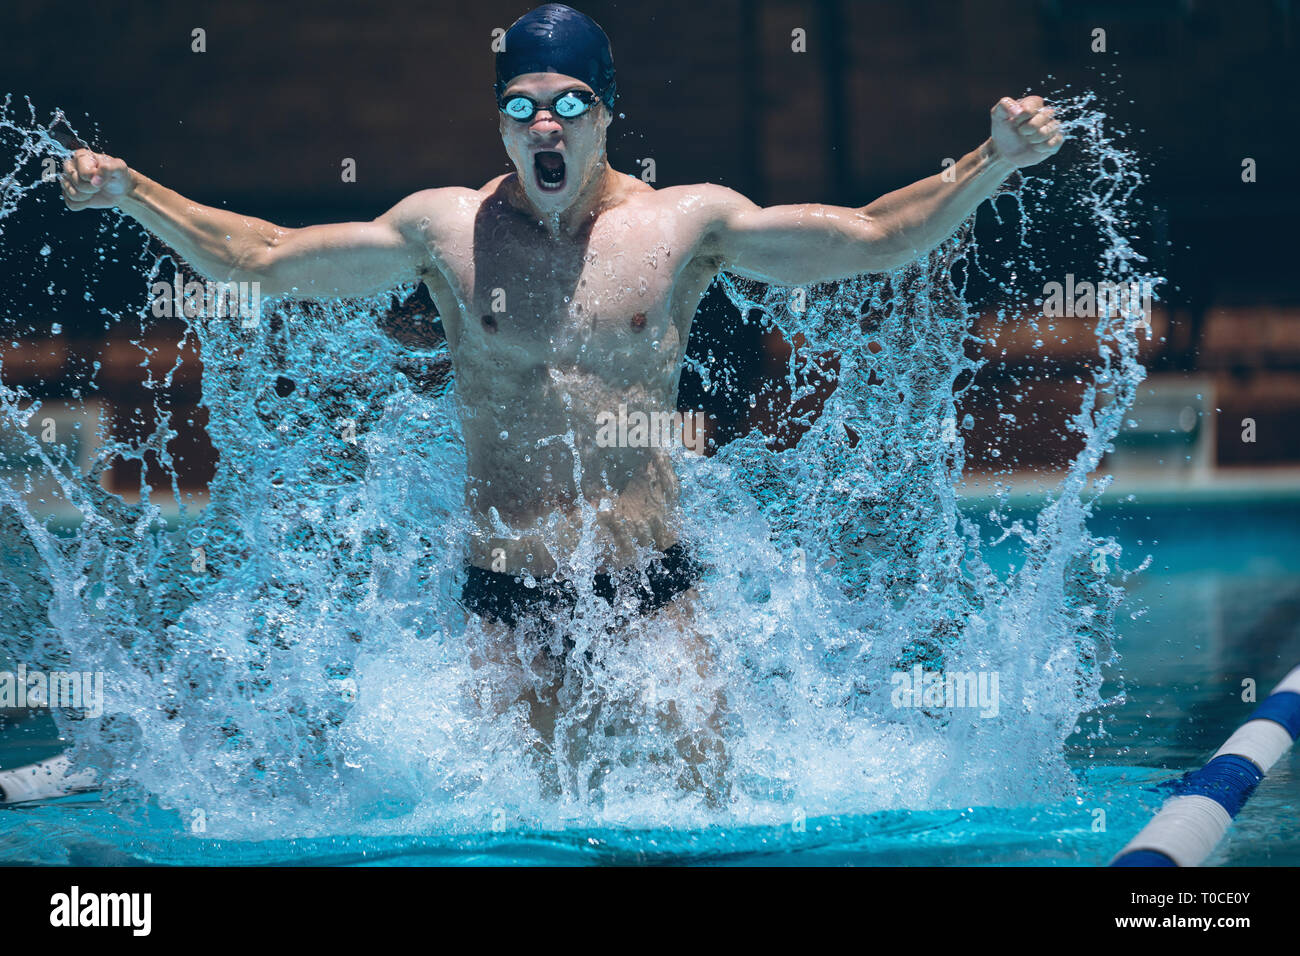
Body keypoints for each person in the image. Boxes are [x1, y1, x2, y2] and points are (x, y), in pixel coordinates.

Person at [24, 2, 1063, 805]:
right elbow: (261, 256)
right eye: (521, 106)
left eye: (569, 102)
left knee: (704, 822)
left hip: (654, 596)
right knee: (508, 833)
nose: (545, 124)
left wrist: (992, 163)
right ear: (502, 123)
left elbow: (876, 234)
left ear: (608, 112)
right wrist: (131, 192)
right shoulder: (445, 232)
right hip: (503, 601)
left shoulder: (684, 225)